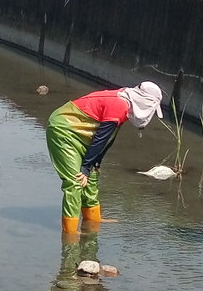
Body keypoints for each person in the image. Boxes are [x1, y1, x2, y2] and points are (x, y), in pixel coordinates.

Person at [46, 82, 164, 237]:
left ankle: (93, 220)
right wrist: (85, 167)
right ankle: (70, 233)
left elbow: (109, 137)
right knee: (75, 181)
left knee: (92, 175)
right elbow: (101, 138)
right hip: (64, 130)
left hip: (83, 133)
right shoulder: (119, 104)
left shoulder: (125, 103)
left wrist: (96, 162)